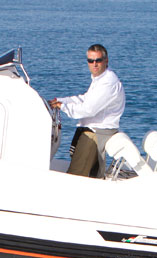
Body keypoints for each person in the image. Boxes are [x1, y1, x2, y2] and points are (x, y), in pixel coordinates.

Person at [48, 44, 125, 178]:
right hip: (92, 130)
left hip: (96, 133)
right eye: (91, 61)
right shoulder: (100, 79)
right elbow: (85, 99)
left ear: (106, 61)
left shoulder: (108, 83)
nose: (94, 64)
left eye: (98, 60)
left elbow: (88, 110)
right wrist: (61, 101)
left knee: (75, 175)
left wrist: (62, 106)